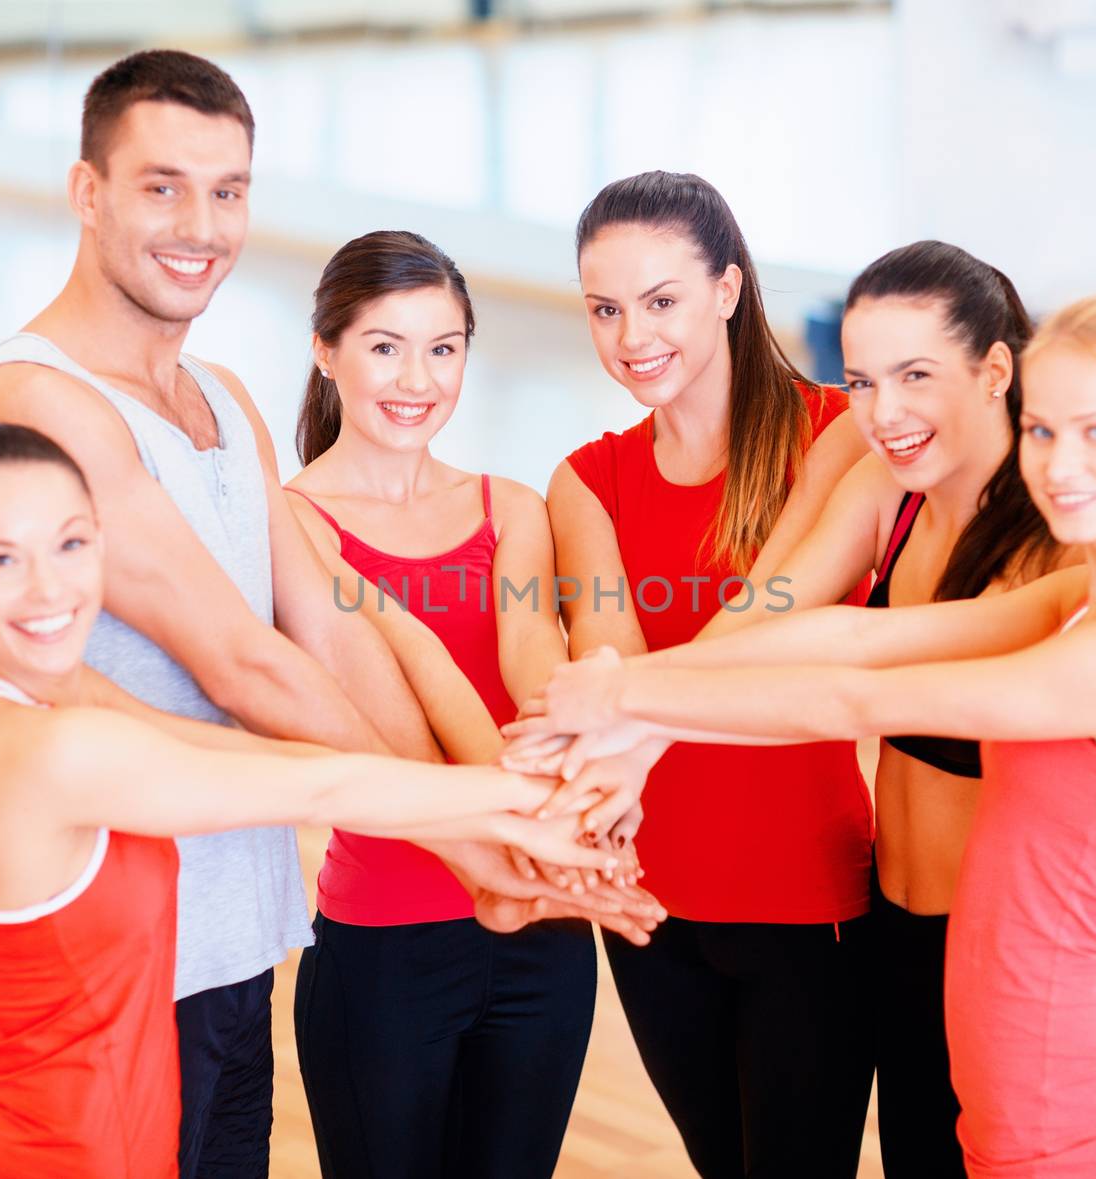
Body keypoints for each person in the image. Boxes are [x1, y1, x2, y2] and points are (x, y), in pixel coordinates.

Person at [0, 49, 634, 1176]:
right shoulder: (40, 402)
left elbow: (331, 637)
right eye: (162, 184)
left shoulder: (223, 403)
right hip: (113, 961)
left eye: (228, 189)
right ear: (87, 193)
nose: (201, 223)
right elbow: (242, 664)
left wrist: (476, 835)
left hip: (233, 940)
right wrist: (481, 831)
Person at [511, 292, 1096, 1179]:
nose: (1056, 464)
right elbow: (851, 634)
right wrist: (629, 690)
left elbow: (853, 699)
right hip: (1008, 1083)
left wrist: (626, 703)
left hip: (1071, 1114)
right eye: (1043, 432)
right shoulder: (1088, 596)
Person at [0, 424, 624, 1179]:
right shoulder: (41, 748)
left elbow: (279, 760)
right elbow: (320, 784)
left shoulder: (53, 698)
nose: (48, 588)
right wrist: (531, 806)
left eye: (70, 546)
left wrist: (505, 828)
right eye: (1, 559)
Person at [557, 239, 1066, 1176]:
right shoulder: (888, 490)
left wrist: (635, 708)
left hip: (1004, 941)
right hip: (896, 922)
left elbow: (848, 662)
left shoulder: (1052, 540)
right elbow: (771, 613)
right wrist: (638, 725)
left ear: (994, 368)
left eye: (916, 375)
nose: (884, 412)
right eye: (864, 382)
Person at [543, 170, 874, 1177]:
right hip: (651, 903)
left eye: (660, 300)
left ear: (728, 289)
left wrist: (631, 718)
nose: (631, 335)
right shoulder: (585, 480)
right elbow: (618, 677)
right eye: (606, 308)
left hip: (806, 899)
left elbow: (769, 635)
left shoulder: (838, 433)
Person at [282, 230, 607, 1178]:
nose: (417, 377)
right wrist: (509, 817)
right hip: (386, 944)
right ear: (326, 351)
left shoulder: (512, 507)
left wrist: (573, 746)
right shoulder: (294, 521)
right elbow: (392, 733)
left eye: (444, 346)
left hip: (545, 943)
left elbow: (527, 651)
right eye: (384, 345)